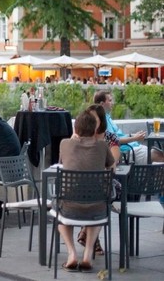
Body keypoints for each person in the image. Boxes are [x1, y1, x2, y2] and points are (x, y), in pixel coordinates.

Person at [57, 110, 114, 273]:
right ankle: (88, 254)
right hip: (97, 207)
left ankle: (72, 253)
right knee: (97, 207)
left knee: (59, 213)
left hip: (69, 208)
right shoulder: (103, 146)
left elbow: (62, 161)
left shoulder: (65, 144)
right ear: (95, 128)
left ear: (76, 128)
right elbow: (111, 167)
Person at [76, 104, 121, 257]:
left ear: (101, 121)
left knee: (103, 195)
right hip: (82, 185)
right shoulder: (79, 137)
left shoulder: (110, 138)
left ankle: (85, 232)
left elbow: (113, 163)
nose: (89, 122)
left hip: (106, 183)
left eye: (93, 119)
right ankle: (92, 241)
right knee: (99, 198)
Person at [94, 90, 163, 163]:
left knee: (159, 153)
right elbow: (113, 140)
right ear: (102, 104)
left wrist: (132, 135)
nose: (113, 103)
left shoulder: (107, 117)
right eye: (110, 100)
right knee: (159, 156)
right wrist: (134, 138)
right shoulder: (102, 121)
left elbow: (117, 136)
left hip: (132, 147)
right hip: (126, 151)